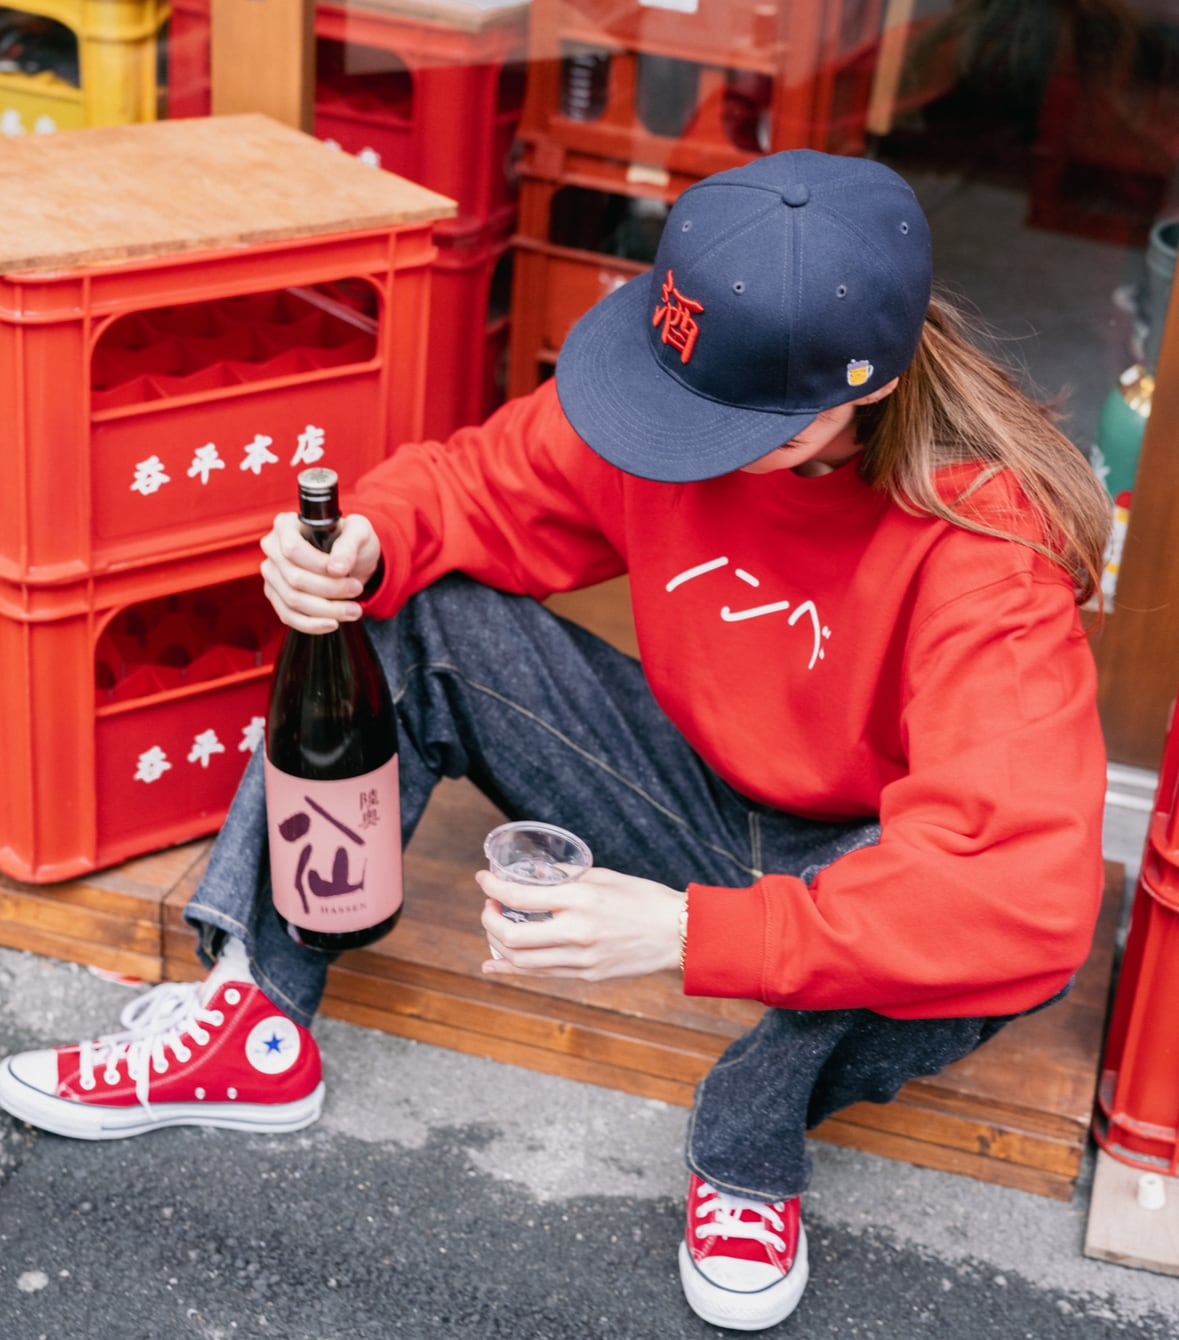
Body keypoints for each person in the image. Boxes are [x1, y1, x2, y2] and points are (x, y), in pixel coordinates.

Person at [0, 150, 1112, 1332]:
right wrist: (367, 540)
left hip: (864, 849)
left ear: (868, 390)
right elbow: (478, 485)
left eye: (736, 427)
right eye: (681, 406)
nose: (686, 444)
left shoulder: (985, 549)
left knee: (978, 939)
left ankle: (747, 1142)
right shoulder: (676, 394)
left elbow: (1016, 887)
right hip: (696, 789)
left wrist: (687, 931)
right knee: (406, 608)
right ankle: (257, 1008)